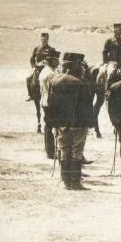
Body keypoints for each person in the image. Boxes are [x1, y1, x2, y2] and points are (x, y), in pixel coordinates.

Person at [48, 53, 95, 190]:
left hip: (61, 123)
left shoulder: (55, 81)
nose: (82, 68)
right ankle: (75, 182)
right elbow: (87, 107)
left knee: (64, 151)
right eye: (80, 65)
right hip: (78, 124)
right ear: (74, 65)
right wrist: (90, 124)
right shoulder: (81, 83)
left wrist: (53, 123)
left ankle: (65, 181)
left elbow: (51, 105)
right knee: (76, 151)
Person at [39, 50, 61, 159]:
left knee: (50, 125)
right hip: (49, 102)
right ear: (51, 60)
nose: (58, 61)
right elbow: (48, 90)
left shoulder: (54, 70)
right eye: (56, 59)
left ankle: (51, 149)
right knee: (49, 126)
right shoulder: (48, 73)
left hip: (51, 101)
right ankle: (50, 151)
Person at [27, 31, 58, 101]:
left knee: (56, 79)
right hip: (37, 67)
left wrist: (51, 65)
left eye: (46, 40)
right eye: (42, 40)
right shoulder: (37, 48)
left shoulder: (51, 49)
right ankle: (30, 95)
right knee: (28, 78)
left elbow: (55, 60)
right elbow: (32, 58)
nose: (44, 41)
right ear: (41, 39)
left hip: (48, 68)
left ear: (48, 39)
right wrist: (33, 66)